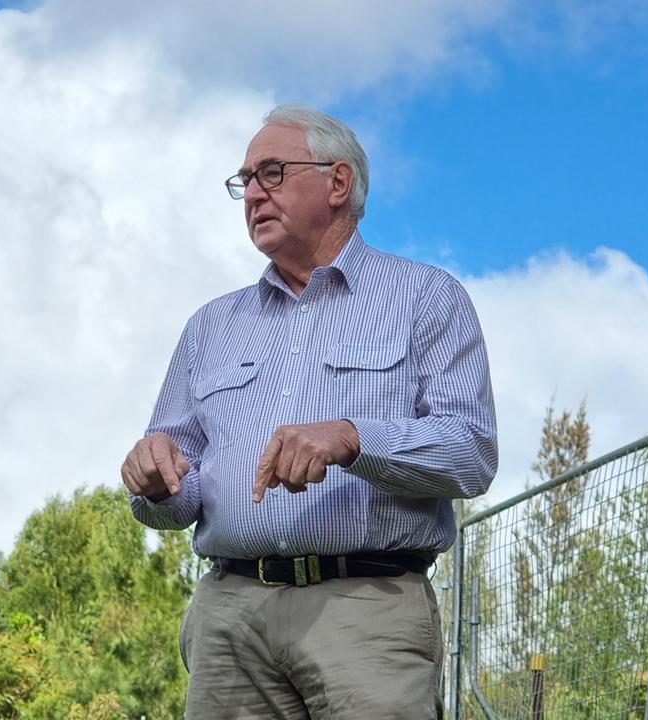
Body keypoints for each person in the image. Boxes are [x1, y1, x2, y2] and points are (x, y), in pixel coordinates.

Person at [121, 105, 497, 719]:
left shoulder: (428, 298)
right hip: (229, 620)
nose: (253, 194)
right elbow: (172, 497)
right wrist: (153, 482)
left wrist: (354, 439)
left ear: (338, 183)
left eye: (271, 172)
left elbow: (471, 456)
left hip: (367, 611)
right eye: (245, 181)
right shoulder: (211, 326)